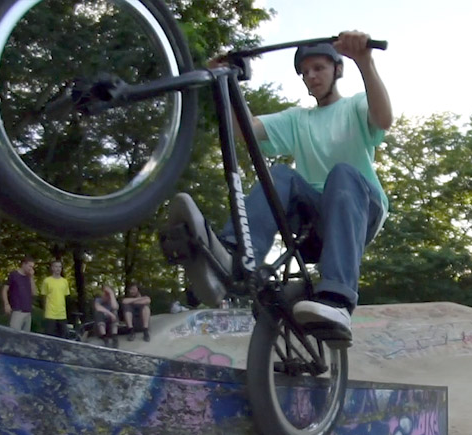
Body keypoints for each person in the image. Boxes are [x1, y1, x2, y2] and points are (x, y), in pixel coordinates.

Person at [168, 30, 392, 348]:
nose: (311, 77)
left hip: (357, 211)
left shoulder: (355, 106)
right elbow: (244, 130)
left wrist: (365, 62)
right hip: (310, 225)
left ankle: (339, 301)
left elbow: (383, 119)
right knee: (279, 174)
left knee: (342, 175)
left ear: (337, 70)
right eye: (305, 73)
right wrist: (227, 84)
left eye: (319, 69)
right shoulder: (297, 119)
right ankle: (233, 257)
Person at [2, 256, 36, 331]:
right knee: (14, 334)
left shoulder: (29, 277)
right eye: (29, 266)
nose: (31, 269)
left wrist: (31, 277)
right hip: (17, 310)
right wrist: (6, 304)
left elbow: (34, 293)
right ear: (23, 264)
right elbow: (5, 290)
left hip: (28, 311)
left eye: (32, 267)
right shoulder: (14, 275)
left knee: (25, 337)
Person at [40, 260, 71, 338]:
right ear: (52, 268)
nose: (58, 269)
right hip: (50, 314)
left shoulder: (65, 281)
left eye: (60, 267)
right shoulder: (47, 281)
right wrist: (45, 310)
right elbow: (44, 296)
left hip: (62, 314)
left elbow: (65, 297)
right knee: (50, 337)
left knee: (63, 337)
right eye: (56, 266)